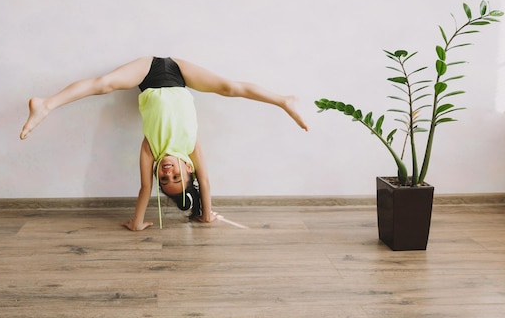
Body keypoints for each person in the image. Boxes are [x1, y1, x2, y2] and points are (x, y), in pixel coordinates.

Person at [20, 56, 308, 231]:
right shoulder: (191, 146)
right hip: (180, 73)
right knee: (229, 88)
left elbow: (145, 187)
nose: (168, 171)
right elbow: (204, 182)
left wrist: (136, 223)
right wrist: (206, 215)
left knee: (105, 83)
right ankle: (284, 100)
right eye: (176, 176)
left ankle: (46, 104)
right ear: (188, 168)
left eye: (164, 177)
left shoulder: (151, 149)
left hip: (146, 75)